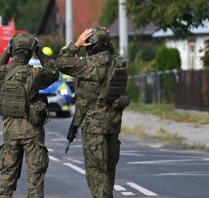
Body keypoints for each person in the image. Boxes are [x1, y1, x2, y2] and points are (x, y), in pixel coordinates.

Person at [57, 27, 129, 198]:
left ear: (91, 44)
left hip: (93, 128)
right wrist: (105, 40)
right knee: (108, 172)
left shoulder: (89, 64)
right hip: (113, 126)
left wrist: (76, 44)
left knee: (97, 173)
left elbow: (61, 63)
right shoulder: (119, 63)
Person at [0, 33, 58, 198]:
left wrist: (7, 50)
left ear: (13, 51)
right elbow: (53, 72)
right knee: (35, 179)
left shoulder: (2, 72)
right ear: (30, 53)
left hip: (10, 131)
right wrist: (39, 52)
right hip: (32, 131)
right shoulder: (35, 74)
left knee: (7, 177)